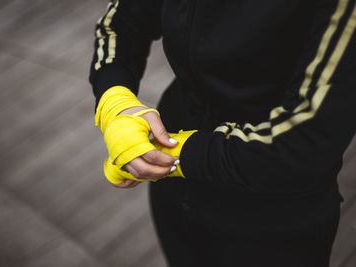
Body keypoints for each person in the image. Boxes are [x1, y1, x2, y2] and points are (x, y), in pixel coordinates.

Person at [89, 0, 356, 266]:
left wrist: (168, 151)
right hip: (174, 191)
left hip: (271, 215)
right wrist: (115, 100)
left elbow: (303, 144)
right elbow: (123, 21)